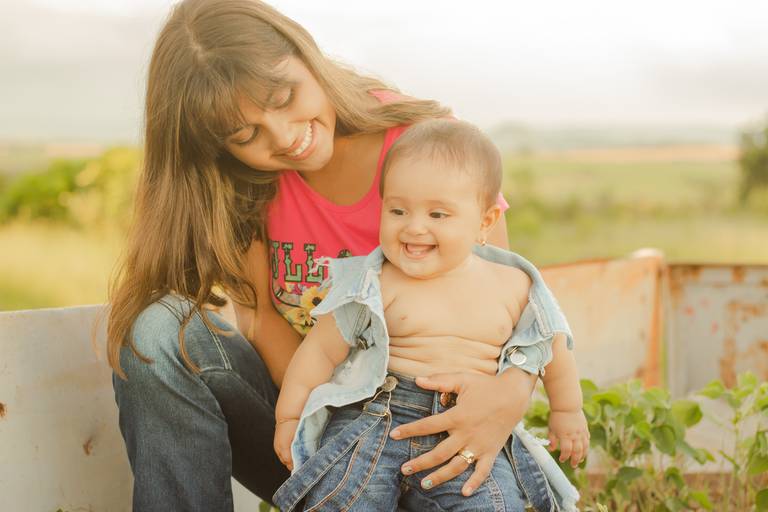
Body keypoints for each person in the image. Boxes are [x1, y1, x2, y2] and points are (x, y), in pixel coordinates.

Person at [107, 0, 572, 510]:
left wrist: (509, 398)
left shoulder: (426, 146)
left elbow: (506, 310)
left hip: (448, 441)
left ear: (305, 54)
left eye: (285, 97)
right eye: (245, 135)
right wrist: (341, 436)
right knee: (155, 332)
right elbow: (262, 321)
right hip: (319, 433)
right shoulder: (244, 183)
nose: (285, 137)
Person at [271, 120, 588, 512]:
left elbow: (552, 346)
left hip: (471, 425)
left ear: (485, 222)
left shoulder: (515, 285)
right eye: (398, 210)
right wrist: (289, 417)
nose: (414, 227)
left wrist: (567, 410)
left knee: (493, 504)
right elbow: (320, 351)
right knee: (341, 499)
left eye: (438, 215)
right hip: (377, 418)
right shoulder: (375, 282)